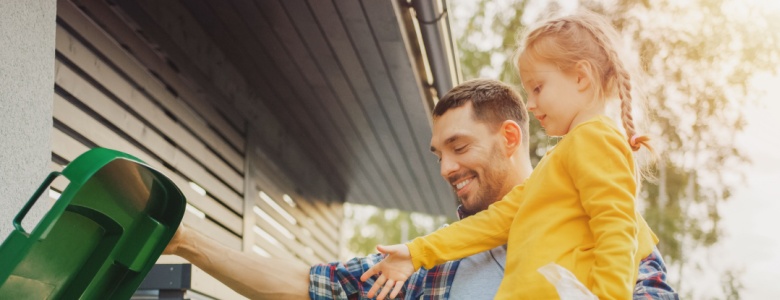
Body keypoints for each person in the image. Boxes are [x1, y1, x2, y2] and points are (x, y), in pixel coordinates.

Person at [164, 78, 677, 299]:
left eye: (459, 146)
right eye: (438, 154)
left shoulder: (605, 230)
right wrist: (187, 242)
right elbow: (310, 286)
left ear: (510, 137)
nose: (445, 168)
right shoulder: (427, 266)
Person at [360, 12, 674, 300]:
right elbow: (494, 221)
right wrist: (416, 252)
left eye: (537, 88)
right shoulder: (560, 160)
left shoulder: (595, 139)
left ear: (581, 77)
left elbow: (616, 232)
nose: (531, 104)